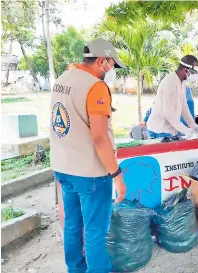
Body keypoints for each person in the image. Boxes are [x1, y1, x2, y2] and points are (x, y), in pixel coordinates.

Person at [50, 38, 126, 273]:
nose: (112, 70)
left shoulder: (62, 80)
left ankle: (75, 269)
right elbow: (100, 138)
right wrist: (117, 176)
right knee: (95, 231)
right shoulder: (95, 86)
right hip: (90, 172)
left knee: (72, 225)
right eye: (112, 64)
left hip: (63, 168)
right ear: (102, 60)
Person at [146, 55, 198, 138]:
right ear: (185, 70)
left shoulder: (183, 82)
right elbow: (168, 114)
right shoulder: (169, 83)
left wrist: (194, 126)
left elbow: (184, 107)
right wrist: (187, 131)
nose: (195, 75)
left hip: (171, 130)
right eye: (194, 72)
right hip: (159, 130)